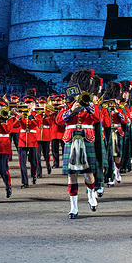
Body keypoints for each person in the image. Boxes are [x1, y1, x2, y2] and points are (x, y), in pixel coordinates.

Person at [55, 70, 102, 218]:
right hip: (71, 137)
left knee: (88, 174)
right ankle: (73, 207)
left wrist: (87, 105)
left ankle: (90, 194)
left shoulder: (90, 102)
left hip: (86, 137)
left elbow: (97, 117)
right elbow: (58, 121)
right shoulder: (67, 103)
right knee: (71, 175)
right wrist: (71, 111)